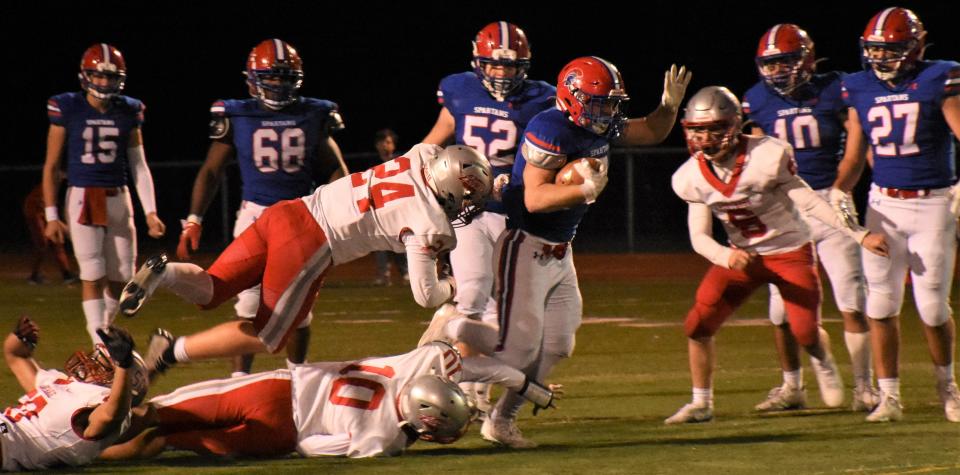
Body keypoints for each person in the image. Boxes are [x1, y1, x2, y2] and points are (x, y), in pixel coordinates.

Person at [421, 57, 693, 447]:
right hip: (526, 246)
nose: (608, 112)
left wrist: (668, 106)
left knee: (559, 344)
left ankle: (501, 421)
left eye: (611, 103)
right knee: (516, 351)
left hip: (561, 252)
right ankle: (451, 332)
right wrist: (581, 191)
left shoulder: (599, 125)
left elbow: (650, 131)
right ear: (573, 98)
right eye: (600, 103)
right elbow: (533, 198)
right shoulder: (549, 127)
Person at [119, 144, 492, 377]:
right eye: (466, 197)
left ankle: (163, 273)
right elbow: (426, 296)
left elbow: (448, 165)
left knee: (212, 288)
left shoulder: (424, 154)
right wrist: (454, 285)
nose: (466, 206)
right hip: (312, 242)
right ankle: (170, 353)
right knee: (268, 338)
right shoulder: (429, 221)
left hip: (288, 211)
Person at [664, 86, 889, 425]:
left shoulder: (767, 155)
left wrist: (859, 234)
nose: (705, 137)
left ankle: (822, 358)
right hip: (744, 257)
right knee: (697, 325)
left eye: (713, 128)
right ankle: (701, 402)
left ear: (734, 125)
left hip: (790, 252)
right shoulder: (689, 177)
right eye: (698, 130)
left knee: (805, 333)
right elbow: (699, 237)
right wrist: (726, 257)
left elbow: (810, 202)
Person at [174, 38, 347, 378]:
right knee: (249, 304)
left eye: (285, 77)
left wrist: (340, 209)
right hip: (255, 216)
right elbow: (211, 171)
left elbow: (336, 168)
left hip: (301, 216)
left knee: (299, 309)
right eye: (272, 76)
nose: (278, 84)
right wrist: (193, 220)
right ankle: (240, 380)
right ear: (252, 78)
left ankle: (300, 379)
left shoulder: (314, 113)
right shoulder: (238, 114)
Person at [99, 342, 561, 460]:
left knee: (155, 413)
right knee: (166, 442)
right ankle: (99, 455)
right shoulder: (383, 442)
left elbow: (485, 367)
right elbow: (310, 447)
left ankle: (84, 443)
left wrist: (529, 387)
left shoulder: (416, 365)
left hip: (279, 389)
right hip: (280, 434)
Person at [421, 21, 556, 416]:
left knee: (505, 312)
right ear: (478, 64)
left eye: (509, 67)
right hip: (467, 210)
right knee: (475, 290)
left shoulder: (542, 99)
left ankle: (476, 385)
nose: (501, 74)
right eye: (493, 66)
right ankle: (445, 377)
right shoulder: (459, 89)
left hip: (512, 214)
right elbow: (434, 142)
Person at [833, 7, 960, 423]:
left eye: (892, 50)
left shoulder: (940, 76)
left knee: (932, 308)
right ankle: (890, 396)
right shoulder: (857, 87)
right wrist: (838, 190)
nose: (882, 58)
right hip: (883, 204)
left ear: (916, 48)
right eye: (876, 50)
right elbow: (854, 156)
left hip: (933, 203)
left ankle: (949, 389)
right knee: (882, 304)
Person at [743, 24, 876, 412]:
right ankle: (793, 387)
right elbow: (752, 158)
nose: (777, 71)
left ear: (806, 59)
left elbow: (856, 144)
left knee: (851, 299)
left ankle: (864, 387)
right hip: (784, 210)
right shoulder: (756, 100)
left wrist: (841, 188)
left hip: (829, 199)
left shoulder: (837, 88)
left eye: (785, 61)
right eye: (770, 63)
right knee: (780, 310)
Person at [42, 43, 166, 346]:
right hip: (84, 196)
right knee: (92, 272)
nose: (104, 83)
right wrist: (51, 215)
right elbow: (51, 165)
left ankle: (104, 335)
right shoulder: (67, 107)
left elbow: (139, 165)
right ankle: (100, 343)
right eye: (98, 76)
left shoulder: (129, 110)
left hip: (119, 197)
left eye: (110, 77)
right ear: (86, 76)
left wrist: (150, 211)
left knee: (123, 278)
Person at [1, 316, 147, 471]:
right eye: (94, 359)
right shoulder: (64, 383)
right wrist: (21, 336)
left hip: (11, 445)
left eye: (101, 365)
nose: (91, 364)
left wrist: (123, 365)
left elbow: (113, 414)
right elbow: (16, 355)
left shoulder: (99, 402)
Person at [370, 128, 408, 286]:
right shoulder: (370, 163)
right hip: (378, 208)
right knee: (379, 242)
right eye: (383, 142)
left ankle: (405, 272)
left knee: (400, 240)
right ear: (377, 145)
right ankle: (383, 275)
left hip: (397, 207)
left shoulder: (399, 162)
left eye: (389, 142)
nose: (386, 146)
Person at [22, 177, 78, 285]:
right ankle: (34, 275)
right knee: (42, 244)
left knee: (57, 243)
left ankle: (67, 274)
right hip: (35, 211)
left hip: (44, 212)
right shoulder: (50, 185)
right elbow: (43, 206)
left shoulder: (59, 187)